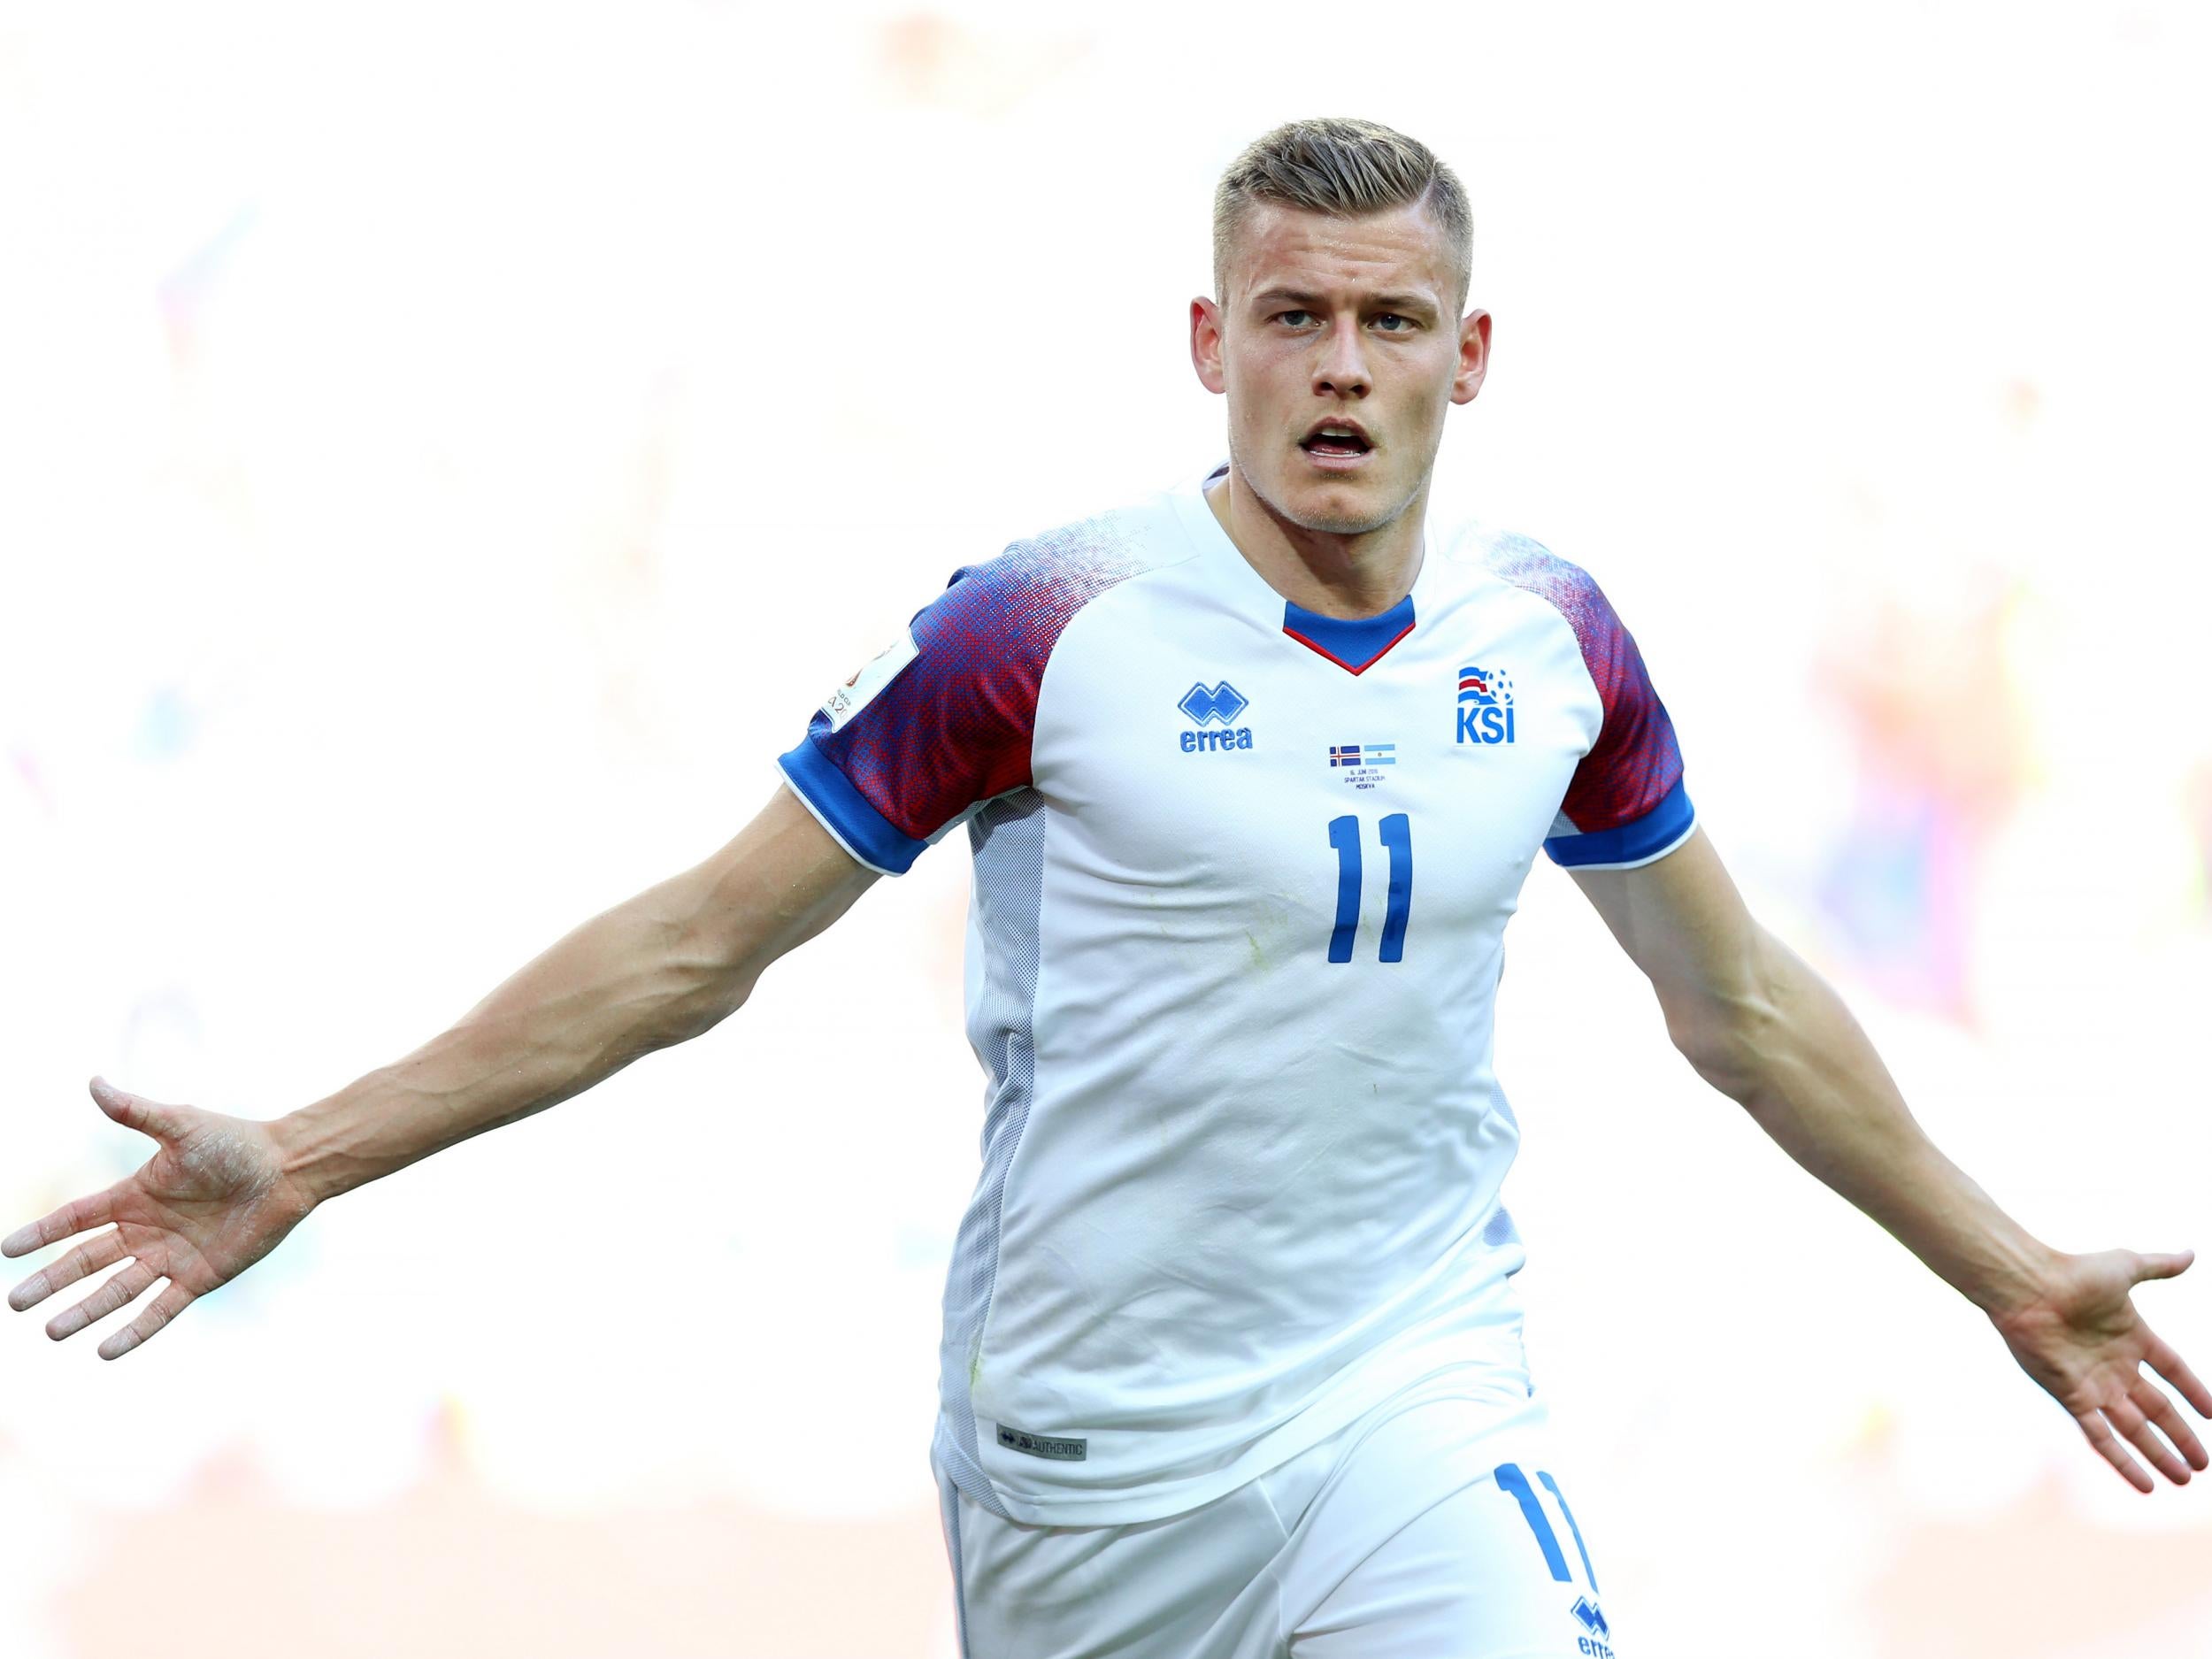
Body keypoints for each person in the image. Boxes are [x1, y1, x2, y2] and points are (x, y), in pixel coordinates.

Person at [7, 116, 2207, 1658]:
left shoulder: (1552, 638)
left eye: (1384, 318)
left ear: (1469, 352)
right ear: (1205, 340)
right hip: (1090, 1456)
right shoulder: (1039, 624)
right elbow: (694, 945)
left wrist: (2005, 1269)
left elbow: (1737, 1002)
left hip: (1412, 1398)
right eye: (1288, 317)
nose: (1335, 366)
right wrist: (302, 1150)